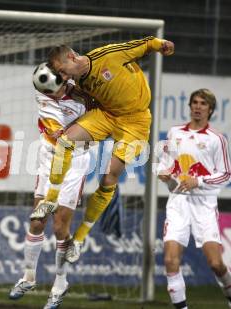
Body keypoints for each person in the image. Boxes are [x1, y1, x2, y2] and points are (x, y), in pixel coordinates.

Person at [30, 37, 175, 263]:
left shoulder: (107, 55)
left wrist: (161, 44)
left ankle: (78, 239)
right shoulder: (78, 83)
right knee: (65, 142)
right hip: (107, 115)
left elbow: (144, 45)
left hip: (136, 122)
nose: (65, 77)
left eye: (63, 71)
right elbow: (68, 93)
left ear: (71, 56)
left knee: (109, 179)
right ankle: (50, 199)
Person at [9, 63, 92, 309]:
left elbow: (98, 126)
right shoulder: (43, 92)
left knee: (59, 227)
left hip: (75, 161)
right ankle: (28, 276)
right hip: (49, 157)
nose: (50, 95)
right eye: (47, 91)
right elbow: (56, 128)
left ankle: (60, 282)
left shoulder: (85, 96)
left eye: (54, 90)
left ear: (64, 81)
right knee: (37, 220)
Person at [157, 89, 231, 309]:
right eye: (195, 103)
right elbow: (166, 164)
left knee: (216, 264)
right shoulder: (174, 132)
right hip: (178, 203)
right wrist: (164, 173)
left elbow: (226, 173)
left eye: (203, 103)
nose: (198, 107)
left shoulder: (217, 139)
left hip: (204, 206)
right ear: (190, 106)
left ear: (210, 109)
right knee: (170, 261)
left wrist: (198, 182)